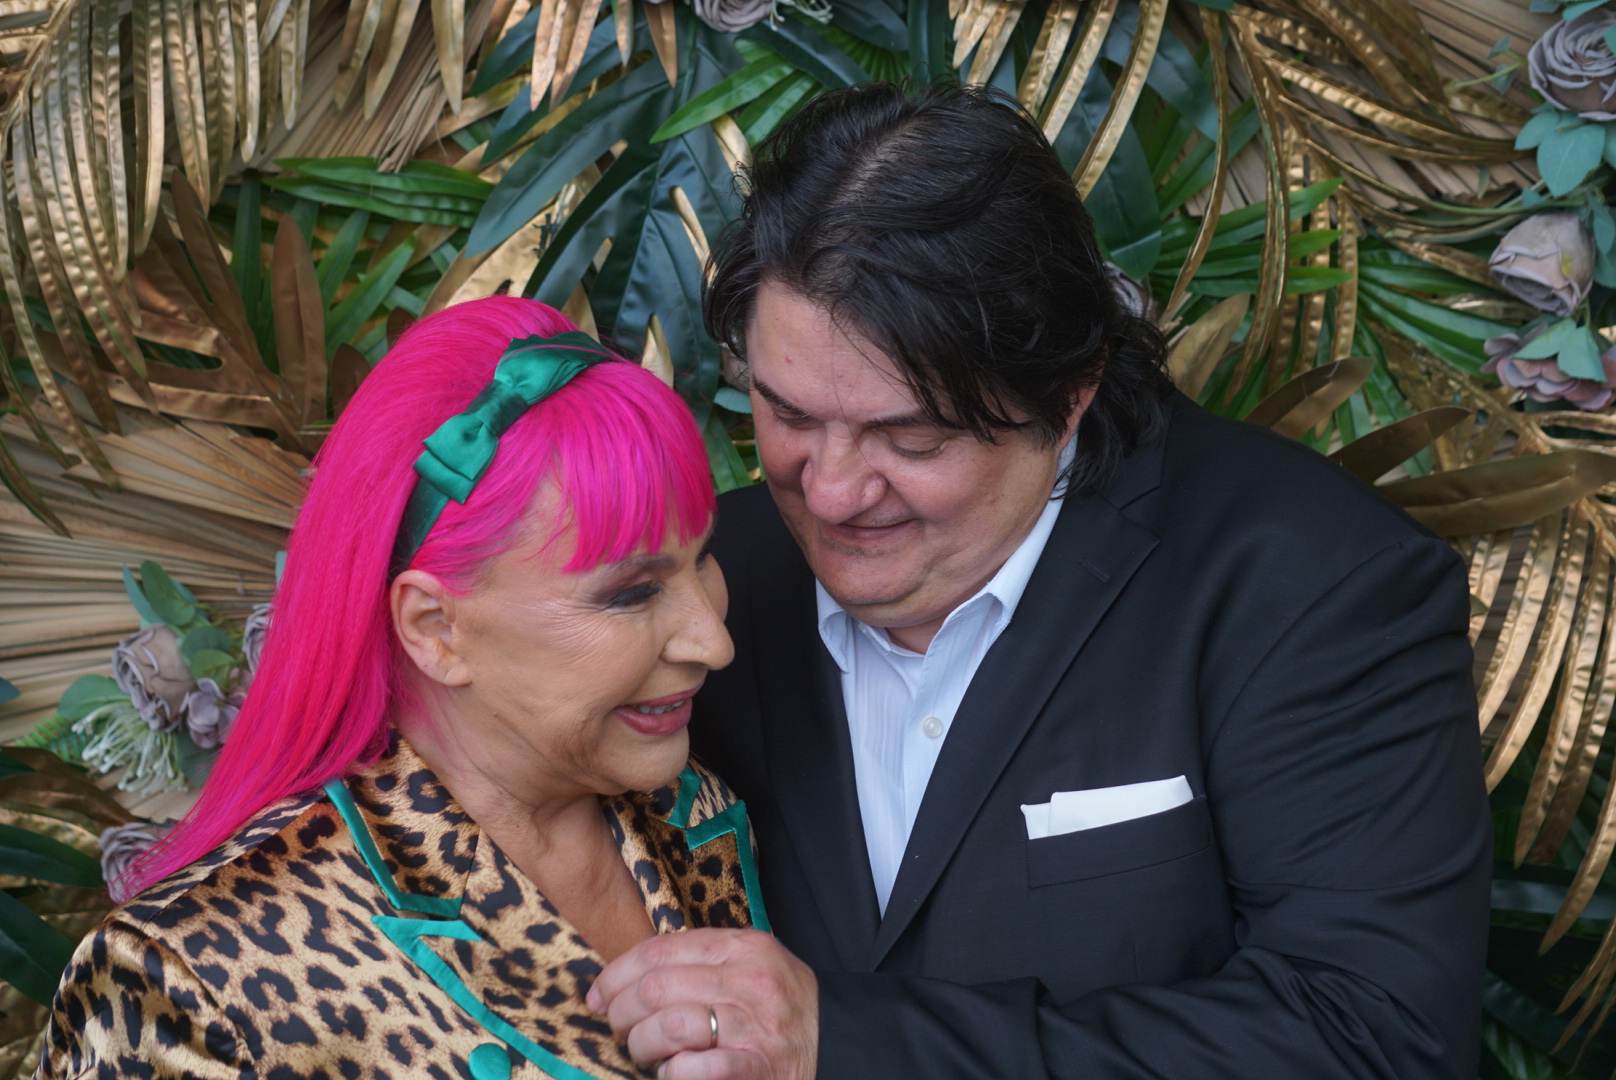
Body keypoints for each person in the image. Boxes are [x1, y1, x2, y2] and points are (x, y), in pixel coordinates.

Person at [587, 83, 1491, 1078]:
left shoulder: (1315, 584)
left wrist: (850, 1043)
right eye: (788, 415)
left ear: (1068, 393)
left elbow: (1374, 1039)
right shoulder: (707, 579)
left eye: (909, 436)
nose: (832, 491)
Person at [35, 296, 766, 1079]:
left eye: (702, 558)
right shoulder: (193, 982)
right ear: (434, 629)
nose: (713, 641)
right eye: (632, 593)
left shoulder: (695, 810)